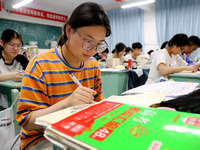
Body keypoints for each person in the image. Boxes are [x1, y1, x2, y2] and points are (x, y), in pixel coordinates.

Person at [16, 2, 111, 150]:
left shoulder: (92, 65)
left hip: (79, 131)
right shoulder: (40, 65)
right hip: (43, 138)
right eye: (88, 41)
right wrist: (67, 104)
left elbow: (100, 105)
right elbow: (26, 122)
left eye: (99, 44)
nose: (93, 50)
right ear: (69, 31)